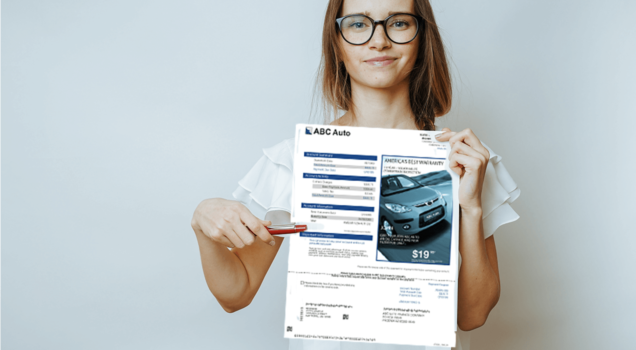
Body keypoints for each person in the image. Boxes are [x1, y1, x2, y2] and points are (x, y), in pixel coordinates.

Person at [190, 0, 521, 349]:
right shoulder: (294, 160)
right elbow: (236, 294)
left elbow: (473, 315)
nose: (379, 41)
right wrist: (201, 224)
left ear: (422, 38)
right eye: (359, 24)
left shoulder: (465, 161)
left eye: (398, 23)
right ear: (337, 43)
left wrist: (470, 208)